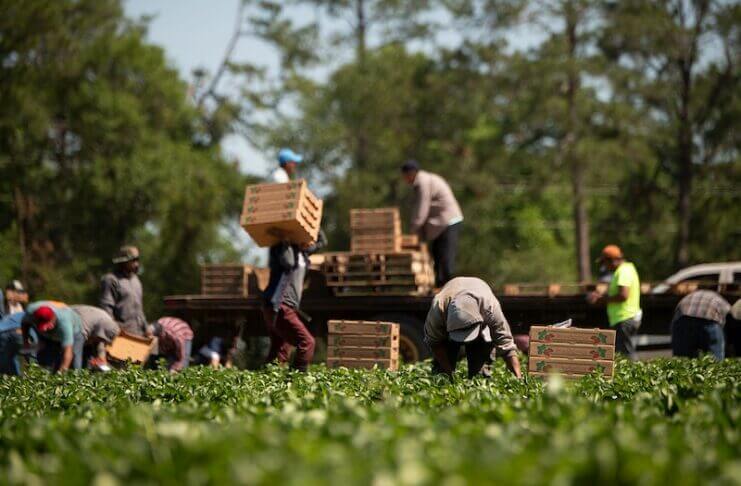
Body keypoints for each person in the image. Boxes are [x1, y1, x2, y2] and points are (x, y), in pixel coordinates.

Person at [424, 276, 522, 379]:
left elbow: (506, 345)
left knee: (479, 375)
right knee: (442, 375)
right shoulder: (438, 309)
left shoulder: (490, 308)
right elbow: (435, 343)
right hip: (447, 323)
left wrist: (518, 378)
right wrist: (449, 375)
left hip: (480, 298)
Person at [262, 230, 327, 372]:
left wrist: (312, 225)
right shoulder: (280, 249)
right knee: (307, 342)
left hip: (286, 307)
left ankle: (267, 382)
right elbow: (289, 262)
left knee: (280, 348)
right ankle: (297, 379)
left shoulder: (303, 254)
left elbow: (322, 242)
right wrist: (286, 241)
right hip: (279, 305)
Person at [401, 160, 463, 287]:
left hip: (448, 221)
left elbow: (422, 208)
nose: (405, 180)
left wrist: (414, 229)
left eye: (405, 176)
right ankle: (440, 287)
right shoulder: (423, 180)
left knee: (445, 258)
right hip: (441, 224)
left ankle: (450, 289)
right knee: (437, 255)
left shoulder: (423, 182)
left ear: (410, 173)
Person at [587, 245, 642, 360]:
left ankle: (635, 377)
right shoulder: (625, 269)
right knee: (624, 353)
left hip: (624, 318)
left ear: (612, 260)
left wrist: (602, 299)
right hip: (625, 318)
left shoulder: (623, 271)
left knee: (626, 355)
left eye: (604, 263)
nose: (604, 266)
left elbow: (623, 295)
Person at [671, 290, 735, 361]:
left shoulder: (690, 295)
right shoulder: (721, 300)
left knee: (682, 358)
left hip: (684, 320)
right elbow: (730, 322)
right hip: (709, 321)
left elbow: (675, 320)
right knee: (714, 358)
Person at [100, 246, 149, 337]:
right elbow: (106, 310)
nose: (137, 264)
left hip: (138, 334)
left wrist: (146, 328)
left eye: (137, 260)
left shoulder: (136, 281)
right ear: (124, 262)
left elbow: (139, 310)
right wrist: (115, 331)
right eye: (133, 260)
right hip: (120, 335)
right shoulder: (111, 280)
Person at [22, 301, 84, 372]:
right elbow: (25, 323)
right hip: (51, 332)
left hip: (75, 332)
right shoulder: (30, 311)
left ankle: (75, 377)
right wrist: (25, 342)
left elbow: (68, 352)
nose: (45, 329)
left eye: (47, 326)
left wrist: (60, 375)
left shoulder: (65, 324)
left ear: (53, 318)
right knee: (45, 357)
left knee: (75, 361)